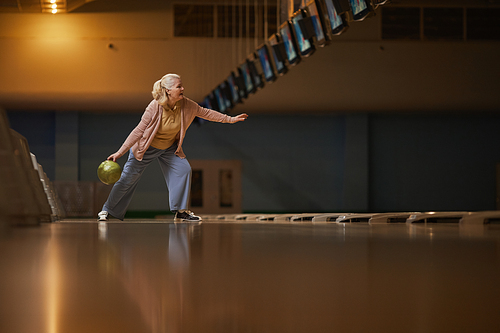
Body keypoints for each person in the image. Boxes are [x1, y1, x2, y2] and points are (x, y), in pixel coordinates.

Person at [98, 73, 248, 222]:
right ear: (168, 90)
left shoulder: (187, 105)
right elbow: (138, 131)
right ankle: (107, 210)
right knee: (127, 179)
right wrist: (120, 152)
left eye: (182, 85)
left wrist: (230, 119)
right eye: (179, 86)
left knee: (184, 169)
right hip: (145, 148)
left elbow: (206, 113)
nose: (183, 88)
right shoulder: (154, 106)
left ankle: (181, 211)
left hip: (169, 148)